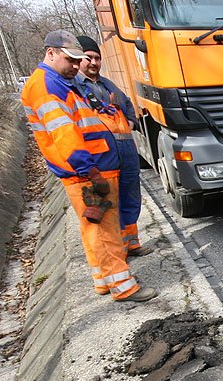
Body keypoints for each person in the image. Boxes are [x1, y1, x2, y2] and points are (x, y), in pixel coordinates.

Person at [21, 30, 157, 302]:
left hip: (92, 167)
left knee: (96, 229)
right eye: (71, 60)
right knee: (106, 231)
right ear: (51, 53)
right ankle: (123, 287)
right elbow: (65, 135)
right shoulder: (48, 86)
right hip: (88, 171)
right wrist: (91, 172)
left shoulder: (60, 82)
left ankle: (105, 281)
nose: (76, 66)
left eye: (78, 60)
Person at [75, 35, 151, 258]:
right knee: (109, 205)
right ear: (78, 60)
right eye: (88, 58)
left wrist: (130, 121)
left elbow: (127, 103)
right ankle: (118, 250)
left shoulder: (108, 84)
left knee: (131, 198)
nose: (93, 63)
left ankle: (132, 243)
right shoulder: (76, 88)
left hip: (126, 153)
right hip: (103, 158)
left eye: (97, 58)